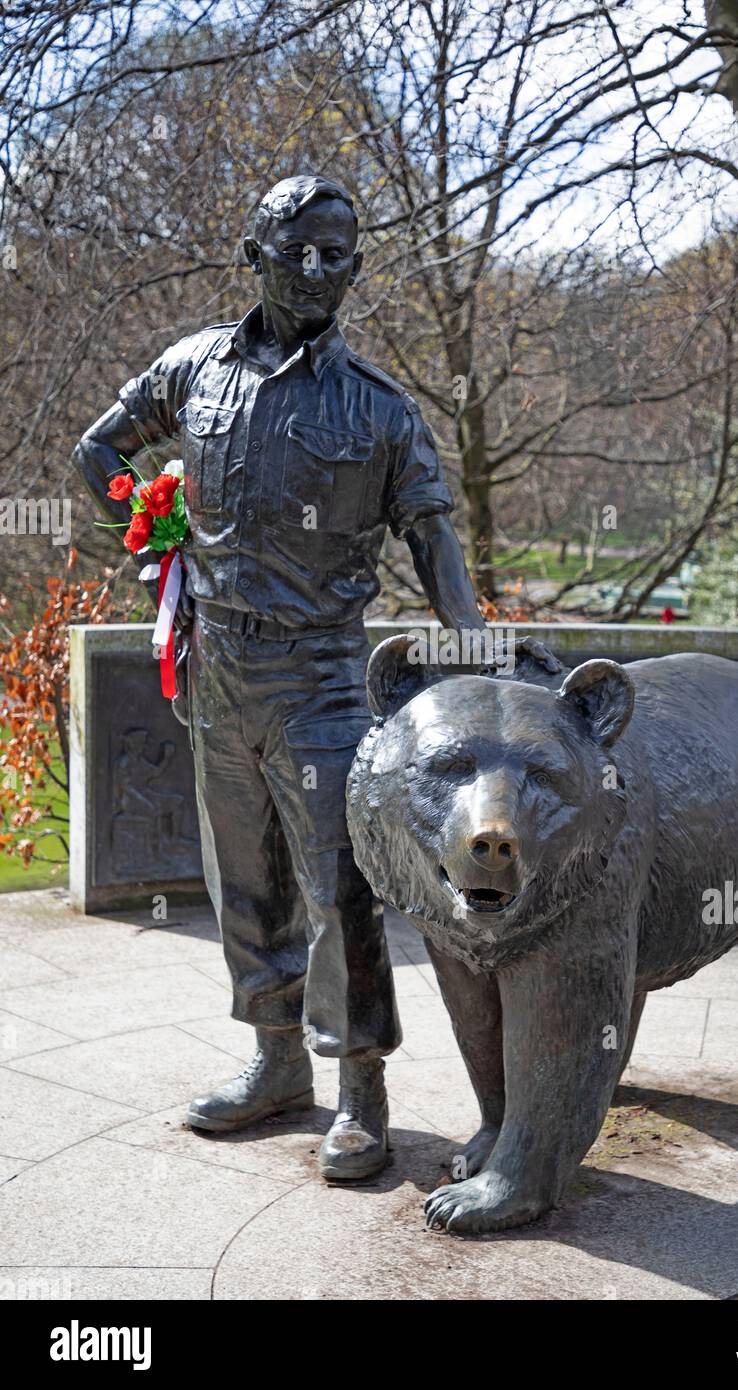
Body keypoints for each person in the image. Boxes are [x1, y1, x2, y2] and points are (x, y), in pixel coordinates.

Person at [71, 174, 489, 1180]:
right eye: (298, 249)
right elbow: (98, 449)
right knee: (243, 878)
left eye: (337, 253)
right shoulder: (191, 370)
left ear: (356, 264)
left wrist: (474, 642)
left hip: (322, 678)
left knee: (337, 887)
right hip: (218, 668)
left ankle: (361, 1091)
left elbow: (431, 529)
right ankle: (273, 1063)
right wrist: (154, 521)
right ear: (253, 253)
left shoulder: (378, 408)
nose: (317, 270)